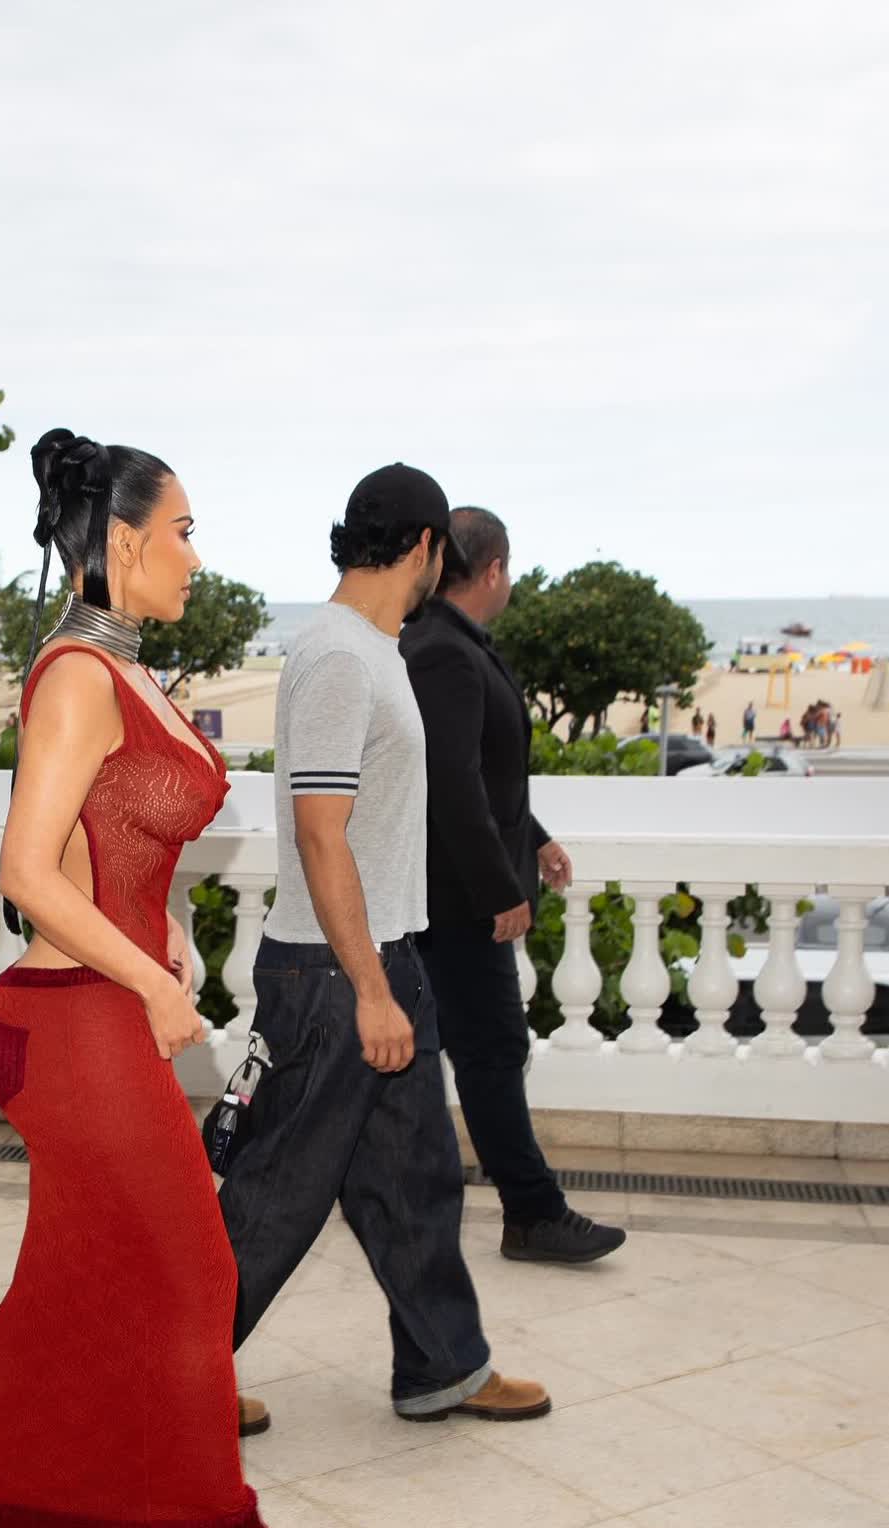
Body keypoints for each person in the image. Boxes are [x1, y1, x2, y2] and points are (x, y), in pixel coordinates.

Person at [0, 432, 325, 1528]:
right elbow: (27, 872)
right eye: (184, 531)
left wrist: (165, 934)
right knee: (193, 1285)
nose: (197, 555)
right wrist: (146, 977)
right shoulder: (77, 675)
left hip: (99, 1010)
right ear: (127, 540)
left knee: (83, 1306)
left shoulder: (126, 669)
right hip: (71, 1021)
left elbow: (120, 842)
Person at [220, 465, 550, 1429]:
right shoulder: (338, 657)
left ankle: (443, 1365)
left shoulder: (374, 648)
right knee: (277, 1194)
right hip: (333, 973)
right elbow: (320, 834)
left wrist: (387, 975)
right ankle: (163, 1381)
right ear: (426, 547)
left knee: (414, 1181)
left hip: (380, 957)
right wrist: (370, 990)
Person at [403, 508, 626, 1264]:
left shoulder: (450, 643)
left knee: (462, 1051)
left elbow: (484, 775)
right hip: (458, 902)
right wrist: (501, 889)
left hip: (456, 893)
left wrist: (535, 837)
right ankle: (532, 1214)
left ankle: (511, 1209)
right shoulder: (443, 651)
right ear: (493, 569)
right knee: (493, 1051)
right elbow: (450, 783)